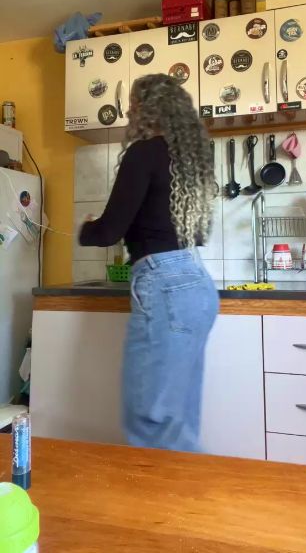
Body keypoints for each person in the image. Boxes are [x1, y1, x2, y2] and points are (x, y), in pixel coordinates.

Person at [79, 73, 219, 452]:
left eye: (133, 106)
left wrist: (84, 229)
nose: (129, 114)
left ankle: (158, 493)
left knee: (150, 420)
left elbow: (109, 231)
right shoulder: (189, 160)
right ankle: (180, 489)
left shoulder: (144, 153)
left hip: (165, 286)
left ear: (149, 110)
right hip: (195, 283)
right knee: (178, 421)